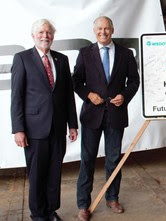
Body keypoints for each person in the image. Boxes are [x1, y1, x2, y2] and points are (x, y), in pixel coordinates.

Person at [72, 16, 140, 221]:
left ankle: (112, 197)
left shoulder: (126, 54)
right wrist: (88, 95)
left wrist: (125, 96)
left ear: (112, 29)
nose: (103, 32)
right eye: (100, 28)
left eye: (107, 28)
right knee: (87, 160)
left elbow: (134, 81)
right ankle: (83, 204)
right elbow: (76, 81)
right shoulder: (85, 53)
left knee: (113, 159)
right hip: (92, 115)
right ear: (94, 31)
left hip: (116, 115)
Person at [11, 19, 78, 221]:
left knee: (54, 173)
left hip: (57, 129)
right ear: (33, 36)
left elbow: (67, 95)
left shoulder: (61, 59)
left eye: (48, 32)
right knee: (38, 174)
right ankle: (38, 215)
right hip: (34, 130)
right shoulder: (22, 58)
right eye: (41, 32)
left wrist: (72, 124)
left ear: (53, 36)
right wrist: (18, 129)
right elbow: (17, 97)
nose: (45, 36)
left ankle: (51, 211)